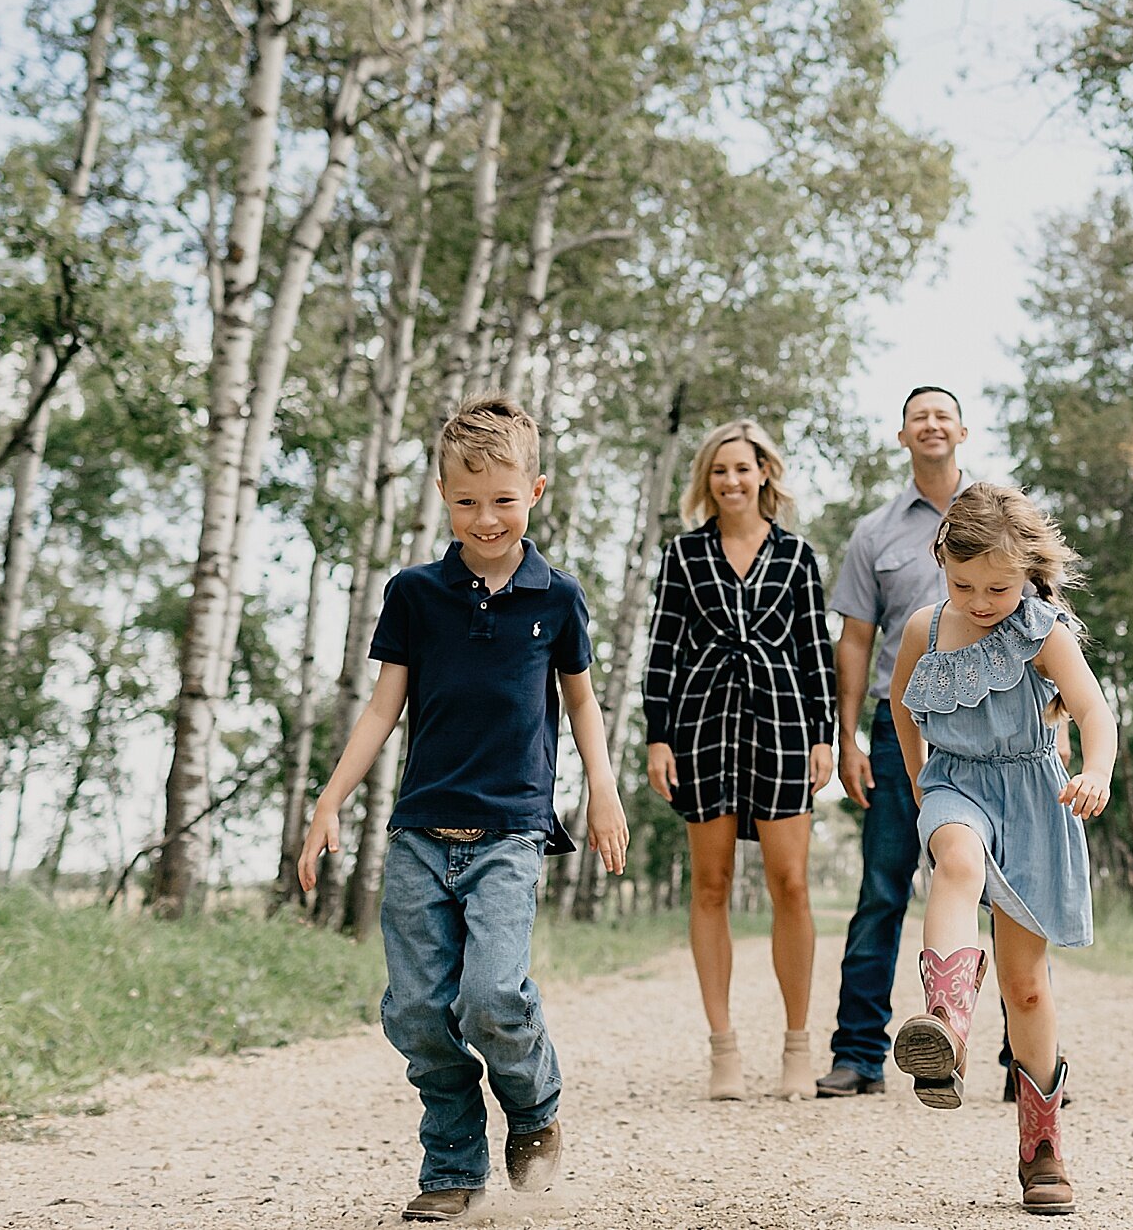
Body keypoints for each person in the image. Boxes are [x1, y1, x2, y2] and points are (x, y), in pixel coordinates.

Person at [300, 394, 629, 1223]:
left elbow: (582, 703)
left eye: (504, 499)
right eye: (467, 500)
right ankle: (451, 1162)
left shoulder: (558, 598)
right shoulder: (415, 594)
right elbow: (382, 708)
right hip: (419, 832)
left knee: (490, 995)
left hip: (512, 831)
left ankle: (534, 1104)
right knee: (415, 1007)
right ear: (443, 495)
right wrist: (329, 799)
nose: (486, 518)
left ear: (537, 491)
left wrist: (602, 788)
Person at [888, 484, 1116, 1216]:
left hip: (1034, 796)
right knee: (955, 863)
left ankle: (1041, 1146)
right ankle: (946, 1025)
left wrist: (1096, 767)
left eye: (998, 585)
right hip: (956, 784)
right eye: (964, 584)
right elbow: (899, 700)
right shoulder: (927, 626)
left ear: (1025, 571)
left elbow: (1091, 707)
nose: (981, 600)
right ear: (941, 564)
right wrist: (921, 776)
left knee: (1027, 987)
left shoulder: (1043, 631)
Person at [642, 418, 837, 1101]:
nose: (731, 480)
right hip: (703, 724)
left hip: (783, 721)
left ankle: (796, 1044)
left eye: (743, 468)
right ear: (708, 479)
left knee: (791, 883)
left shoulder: (796, 555)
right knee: (711, 884)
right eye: (719, 470)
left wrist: (824, 733)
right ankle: (723, 1048)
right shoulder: (684, 555)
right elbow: (663, 647)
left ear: (764, 474)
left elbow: (816, 648)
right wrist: (657, 734)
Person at [815, 385, 971, 1096]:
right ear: (902, 434)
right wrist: (845, 735)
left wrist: (1054, 723)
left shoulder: (998, 517)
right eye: (919, 416)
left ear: (961, 430)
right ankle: (857, 1054)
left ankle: (1013, 1059)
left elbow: (1043, 620)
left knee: (1001, 893)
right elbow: (854, 640)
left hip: (991, 728)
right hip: (895, 725)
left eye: (942, 413)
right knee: (882, 888)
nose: (931, 424)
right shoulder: (874, 532)